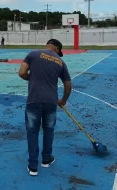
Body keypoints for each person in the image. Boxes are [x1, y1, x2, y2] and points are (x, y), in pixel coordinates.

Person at [18, 39, 72, 176]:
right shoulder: (60, 62)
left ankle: (33, 167)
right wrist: (63, 100)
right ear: (56, 49)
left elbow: (22, 73)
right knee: (49, 130)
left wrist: (33, 78)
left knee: (32, 132)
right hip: (51, 101)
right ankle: (46, 159)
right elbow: (68, 85)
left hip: (34, 99)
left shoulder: (33, 54)